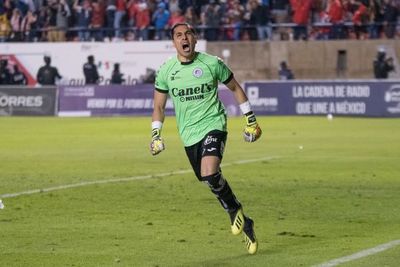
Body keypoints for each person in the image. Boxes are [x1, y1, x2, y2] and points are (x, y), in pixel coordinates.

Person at [150, 22, 261, 255]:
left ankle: (234, 210)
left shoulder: (212, 63)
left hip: (214, 124)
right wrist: (155, 134)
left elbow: (235, 88)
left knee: (210, 171)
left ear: (196, 38)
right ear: (174, 42)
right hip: (189, 135)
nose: (184, 38)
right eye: (179, 35)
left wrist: (251, 120)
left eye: (188, 34)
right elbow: (158, 106)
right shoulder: (166, 71)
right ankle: (242, 218)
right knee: (208, 179)